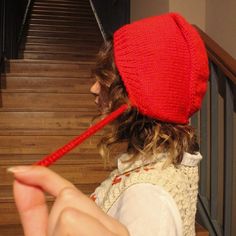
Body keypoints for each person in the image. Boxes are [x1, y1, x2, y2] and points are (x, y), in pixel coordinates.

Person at [7, 12, 209, 236]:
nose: (93, 88)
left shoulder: (147, 197)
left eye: (105, 78)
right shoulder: (146, 168)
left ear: (138, 97)